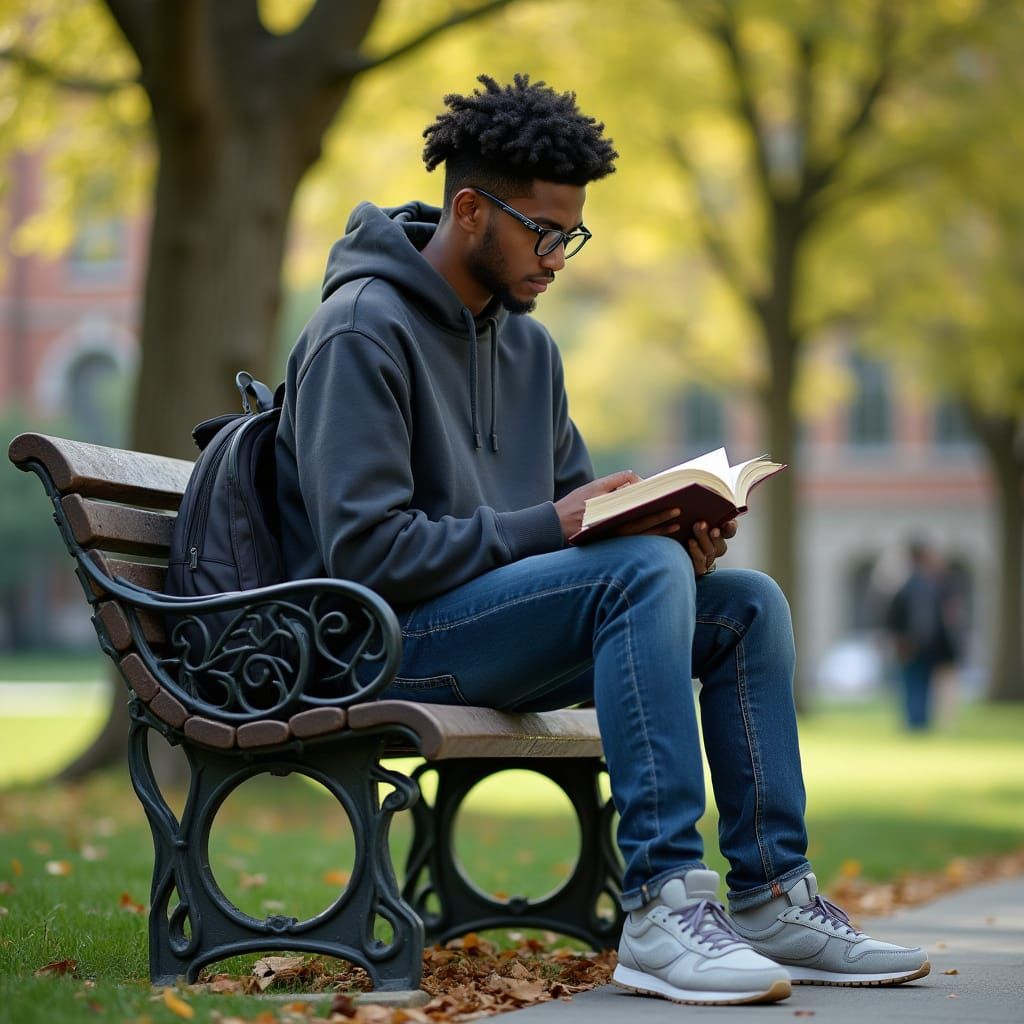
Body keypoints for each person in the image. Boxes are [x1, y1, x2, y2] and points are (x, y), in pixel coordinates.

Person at [275, 74, 930, 1007]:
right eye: (545, 230)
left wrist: (669, 527)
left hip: (493, 631)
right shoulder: (358, 331)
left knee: (746, 604)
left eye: (572, 233)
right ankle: (663, 906)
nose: (561, 255)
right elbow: (365, 555)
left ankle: (773, 895)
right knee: (636, 571)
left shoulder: (529, 349)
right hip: (385, 642)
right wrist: (576, 530)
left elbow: (580, 522)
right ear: (470, 209)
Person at [885, 540, 960, 730]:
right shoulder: (926, 585)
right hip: (922, 644)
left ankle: (916, 723)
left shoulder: (908, 584)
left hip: (912, 644)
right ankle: (918, 723)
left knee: (913, 686)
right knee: (919, 686)